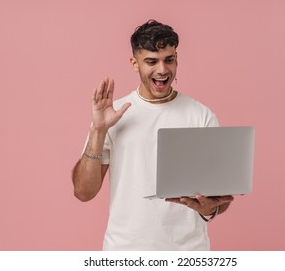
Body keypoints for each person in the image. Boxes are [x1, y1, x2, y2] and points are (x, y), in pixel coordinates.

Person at [72, 20, 234, 251]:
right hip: (125, 253)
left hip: (188, 253)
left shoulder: (201, 116)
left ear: (176, 59)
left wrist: (211, 208)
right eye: (151, 61)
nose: (162, 70)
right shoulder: (114, 115)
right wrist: (98, 130)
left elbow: (219, 197)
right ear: (134, 63)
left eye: (169, 59)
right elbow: (83, 192)